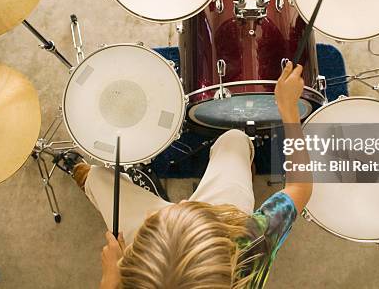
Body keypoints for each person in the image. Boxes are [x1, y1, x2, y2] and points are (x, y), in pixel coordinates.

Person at [72, 61, 311, 288]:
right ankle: (242, 161)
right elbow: (299, 188)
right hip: (225, 220)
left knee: (97, 178)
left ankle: (87, 179)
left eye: (156, 220)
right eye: (187, 207)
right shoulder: (250, 246)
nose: (183, 202)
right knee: (233, 140)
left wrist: (111, 279)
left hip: (177, 241)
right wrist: (289, 110)